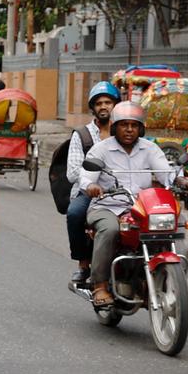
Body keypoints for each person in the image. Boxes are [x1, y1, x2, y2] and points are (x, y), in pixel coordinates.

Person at [78, 101, 177, 307]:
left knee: (174, 226)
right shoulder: (101, 149)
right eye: (124, 125)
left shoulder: (150, 148)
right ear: (115, 127)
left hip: (141, 207)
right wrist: (92, 186)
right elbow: (86, 177)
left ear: (141, 128)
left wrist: (182, 181)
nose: (129, 129)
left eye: (134, 125)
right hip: (107, 206)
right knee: (110, 229)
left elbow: (165, 173)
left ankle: (165, 277)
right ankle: (100, 285)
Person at [63, 81, 120, 284]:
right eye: (99, 103)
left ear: (116, 105)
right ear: (93, 108)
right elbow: (72, 173)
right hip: (89, 191)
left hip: (122, 191)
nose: (103, 106)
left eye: (108, 102)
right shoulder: (82, 135)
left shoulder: (125, 131)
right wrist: (91, 183)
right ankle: (83, 263)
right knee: (75, 214)